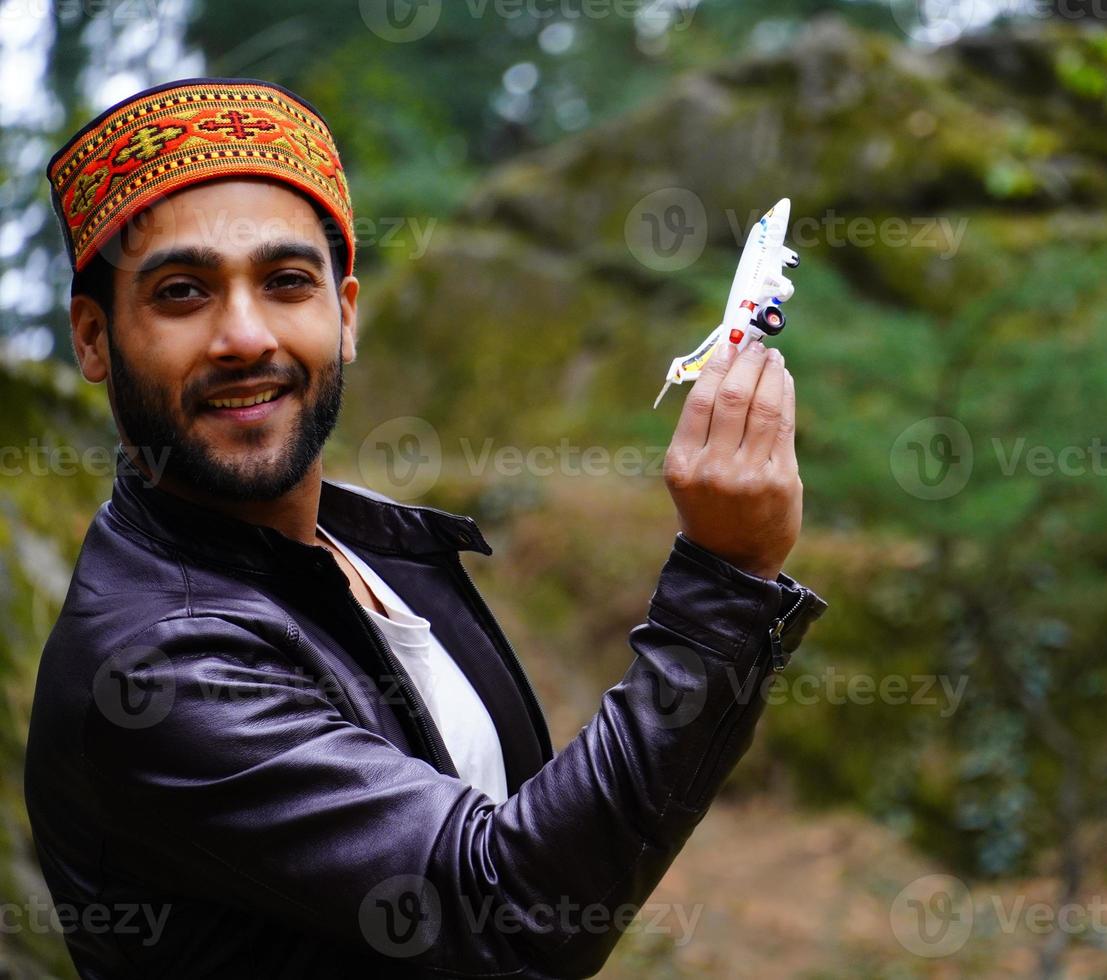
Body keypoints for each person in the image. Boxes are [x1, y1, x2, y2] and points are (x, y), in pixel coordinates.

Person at [24, 77, 827, 978]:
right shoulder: (157, 666)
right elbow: (513, 913)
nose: (245, 336)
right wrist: (725, 579)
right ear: (93, 339)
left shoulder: (365, 557)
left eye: (287, 282)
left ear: (346, 311)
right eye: (181, 292)